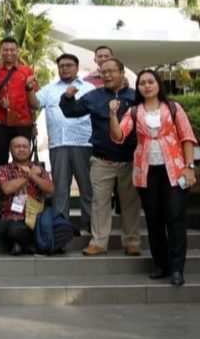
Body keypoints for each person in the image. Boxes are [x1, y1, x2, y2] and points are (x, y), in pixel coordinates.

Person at [110, 69, 198, 286]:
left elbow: (187, 137)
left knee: (175, 218)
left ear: (158, 84)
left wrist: (189, 167)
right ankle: (161, 265)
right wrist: (112, 114)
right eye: (142, 83)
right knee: (153, 219)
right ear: (138, 87)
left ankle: (177, 269)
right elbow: (119, 136)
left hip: (175, 171)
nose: (147, 86)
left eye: (151, 82)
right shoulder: (133, 111)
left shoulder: (174, 108)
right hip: (146, 172)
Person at [60, 57, 141, 257]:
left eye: (111, 71)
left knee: (130, 203)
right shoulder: (93, 96)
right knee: (99, 203)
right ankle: (98, 242)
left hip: (130, 161)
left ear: (122, 73)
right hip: (101, 160)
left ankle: (132, 241)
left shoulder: (136, 97)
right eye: (103, 72)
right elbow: (72, 112)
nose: (107, 75)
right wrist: (68, 98)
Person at [29, 53, 93, 229]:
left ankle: (91, 223)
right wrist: (29, 89)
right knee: (60, 189)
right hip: (58, 144)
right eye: (61, 66)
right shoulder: (49, 89)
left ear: (77, 68)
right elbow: (35, 104)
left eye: (69, 65)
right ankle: (61, 225)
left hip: (84, 143)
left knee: (87, 186)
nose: (65, 68)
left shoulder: (89, 88)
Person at [0, 136, 71, 255]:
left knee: (67, 230)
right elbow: (7, 189)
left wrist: (33, 176)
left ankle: (28, 248)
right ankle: (47, 245)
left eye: (25, 146)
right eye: (17, 147)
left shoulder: (39, 169)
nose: (21, 149)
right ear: (10, 150)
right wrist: (28, 176)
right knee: (13, 232)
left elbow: (50, 189)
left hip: (39, 218)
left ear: (30, 148)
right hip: (16, 218)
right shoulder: (3, 170)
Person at [0, 37, 38, 169]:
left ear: (18, 51)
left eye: (12, 50)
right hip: (0, 124)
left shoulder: (27, 71)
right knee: (0, 163)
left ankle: (24, 184)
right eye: (5, 50)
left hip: (23, 124)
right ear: (0, 52)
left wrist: (34, 124)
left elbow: (33, 102)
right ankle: (1, 184)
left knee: (24, 161)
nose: (9, 53)